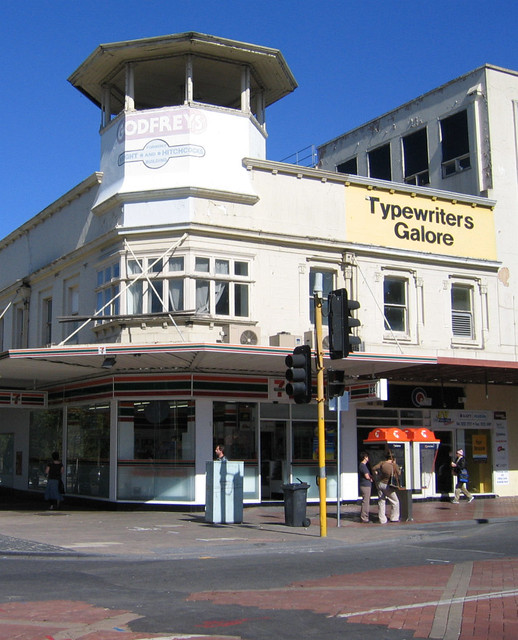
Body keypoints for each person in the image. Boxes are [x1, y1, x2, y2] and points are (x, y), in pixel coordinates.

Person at [372, 450, 401, 524]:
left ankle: (382, 519)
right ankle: (394, 517)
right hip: (388, 485)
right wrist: (395, 464)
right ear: (393, 458)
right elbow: (399, 473)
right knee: (395, 501)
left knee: (381, 501)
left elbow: (374, 468)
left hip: (380, 483)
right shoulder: (394, 465)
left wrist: (377, 473)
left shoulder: (382, 463)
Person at [358, 451, 373, 523]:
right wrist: (371, 478)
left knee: (365, 501)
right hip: (365, 485)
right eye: (367, 457)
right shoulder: (363, 466)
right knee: (366, 501)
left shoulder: (362, 465)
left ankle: (364, 516)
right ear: (365, 457)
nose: (368, 458)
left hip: (364, 485)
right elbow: (367, 476)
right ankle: (364, 517)